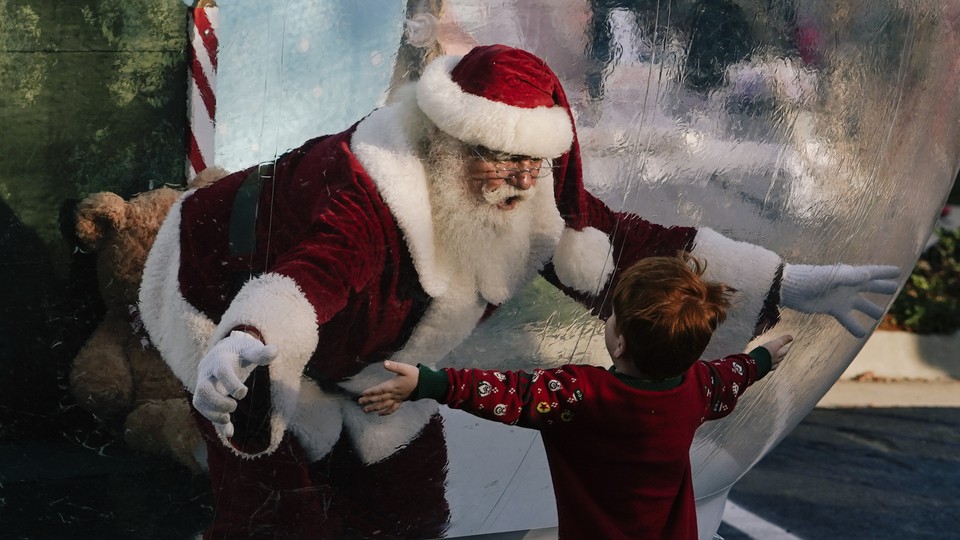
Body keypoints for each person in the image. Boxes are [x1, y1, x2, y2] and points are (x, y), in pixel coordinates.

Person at [138, 43, 897, 538]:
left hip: (374, 359)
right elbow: (310, 277)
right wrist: (249, 339)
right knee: (275, 505)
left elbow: (635, 252)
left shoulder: (535, 192)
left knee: (409, 502)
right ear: (445, 142)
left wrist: (791, 282)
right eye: (501, 161)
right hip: (217, 291)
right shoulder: (367, 189)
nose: (521, 183)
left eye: (535, 164)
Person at [359, 253, 794, 539]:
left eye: (613, 318)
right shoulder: (697, 388)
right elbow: (733, 374)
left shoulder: (581, 395)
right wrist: (763, 357)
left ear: (619, 343)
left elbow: (508, 393)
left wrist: (427, 383)